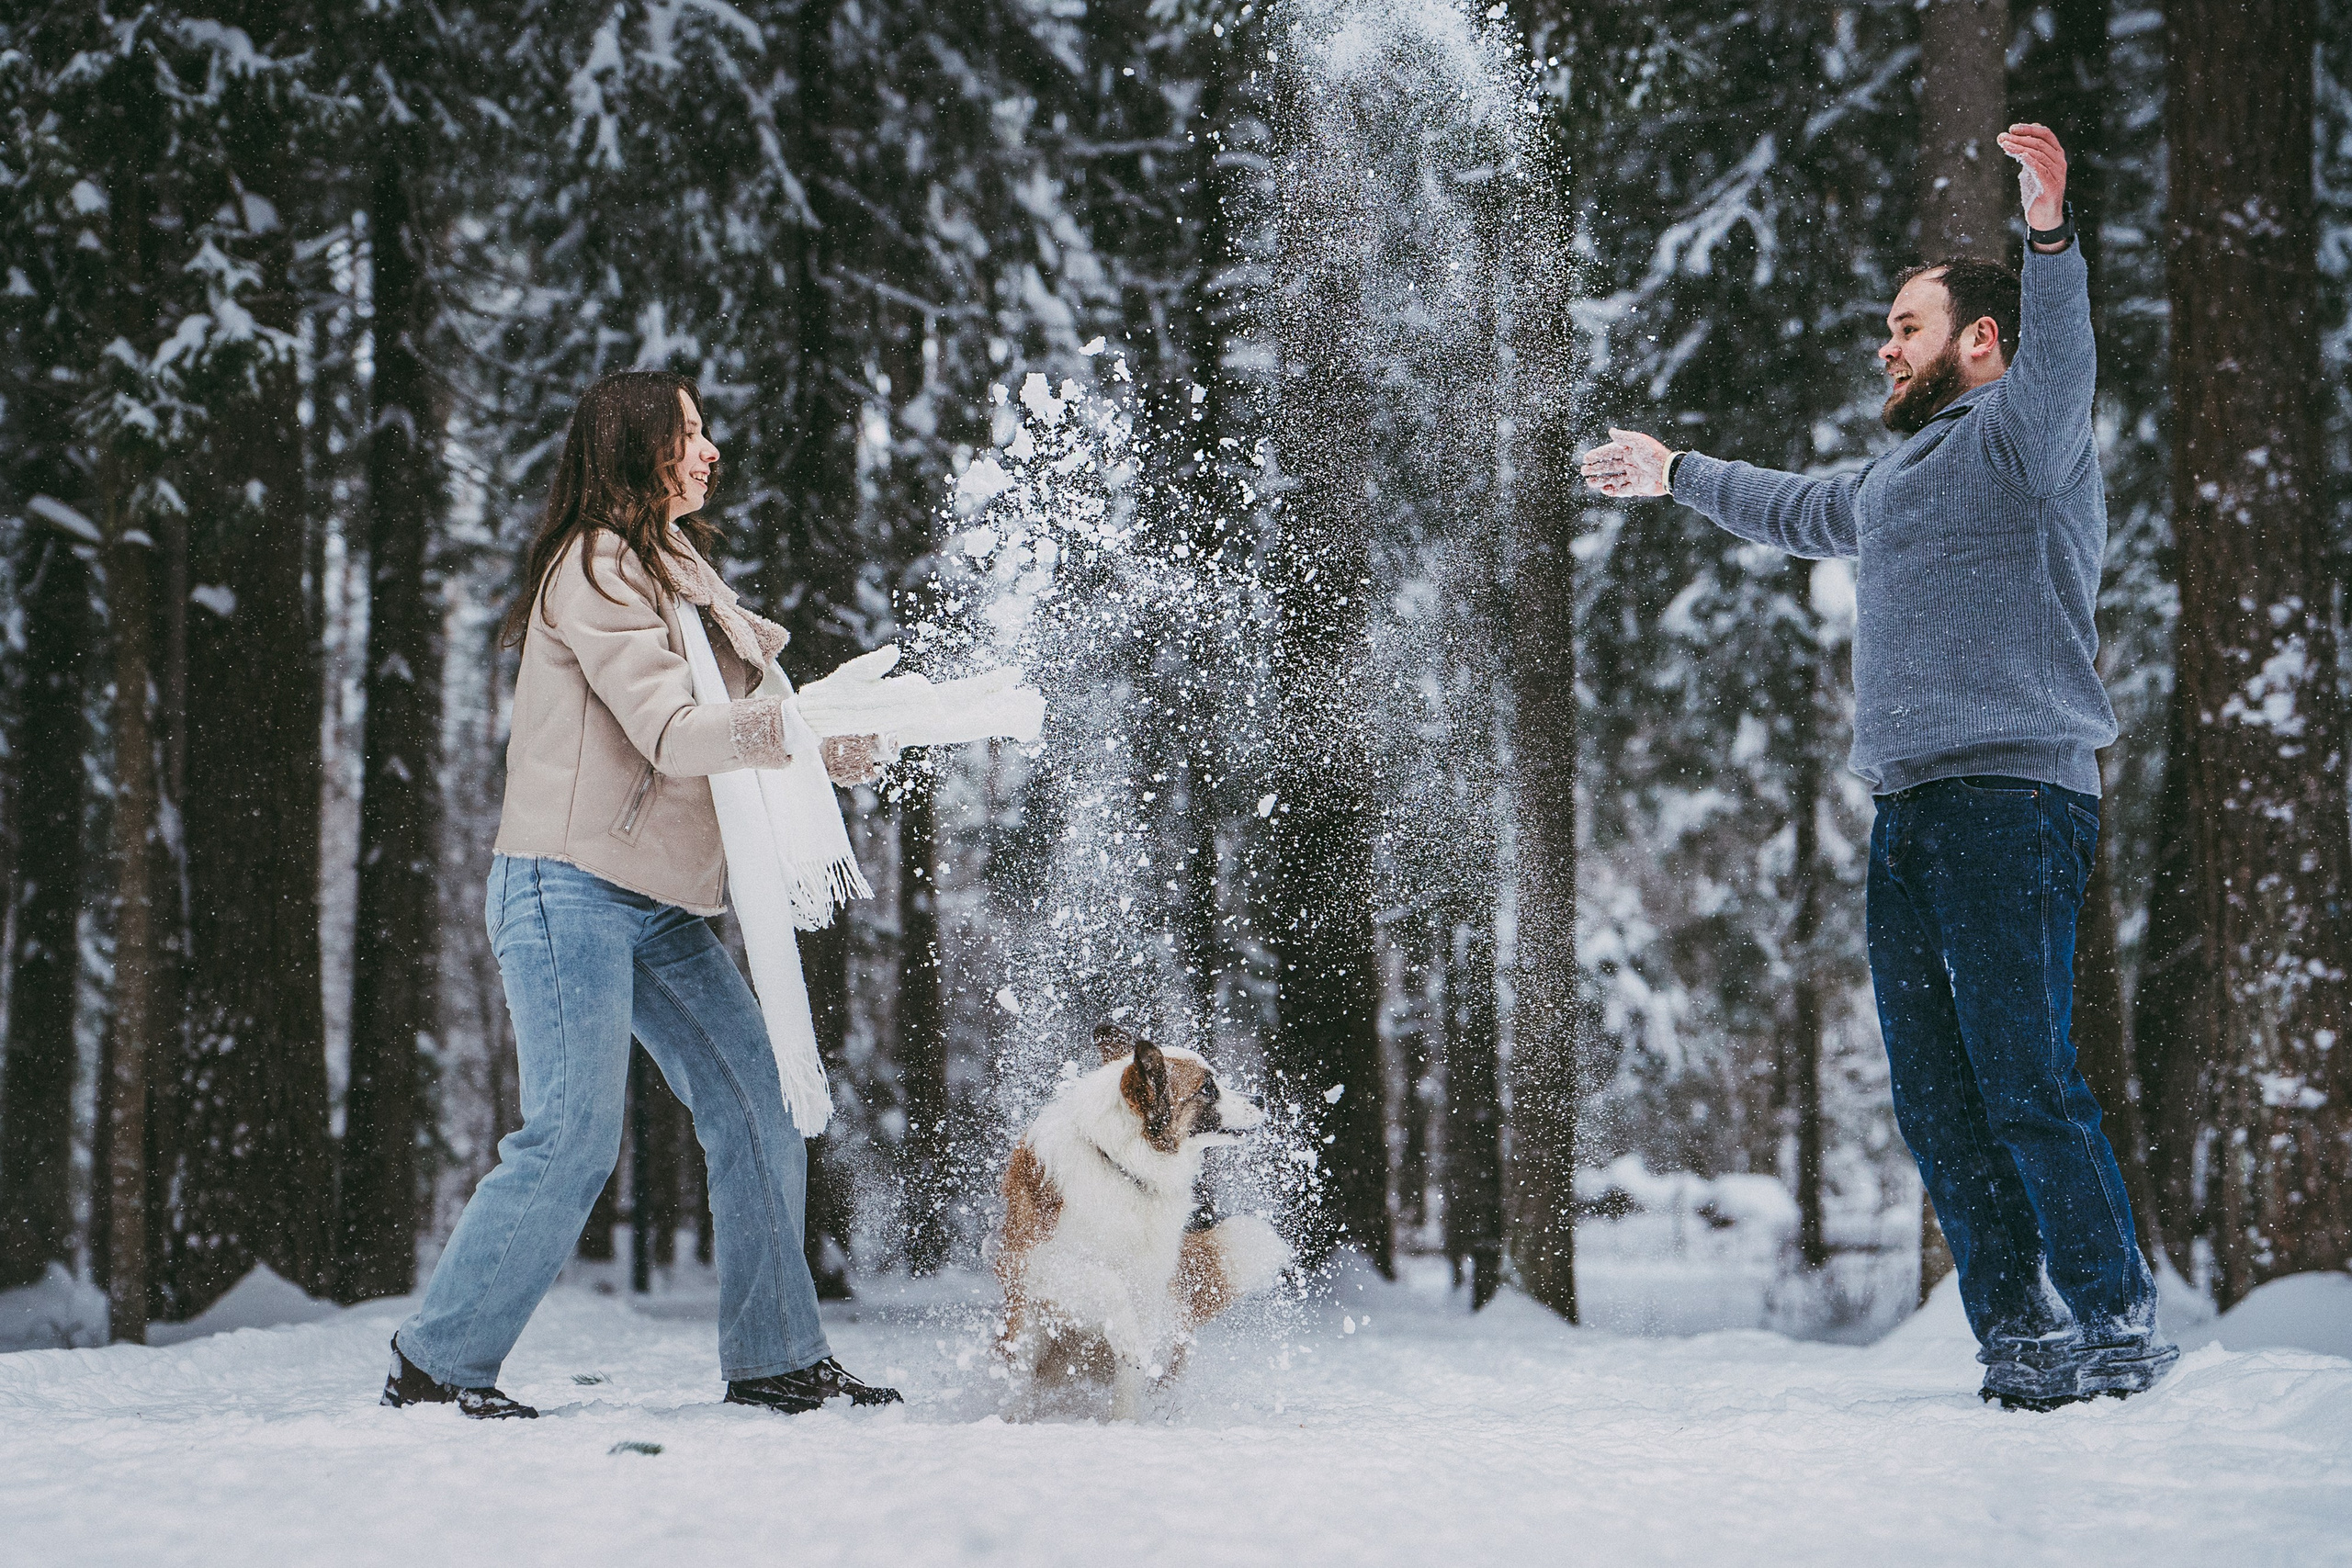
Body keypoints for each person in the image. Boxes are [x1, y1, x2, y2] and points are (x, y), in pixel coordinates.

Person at [1580, 125, 2177, 1410]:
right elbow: (1800, 508)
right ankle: (2019, 1336)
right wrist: (1676, 473)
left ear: (1981, 341)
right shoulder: (1898, 474)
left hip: (2015, 798)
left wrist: (2051, 235)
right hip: (1908, 811)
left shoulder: (2025, 437)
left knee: (2026, 1078)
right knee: (1938, 1099)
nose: (1885, 347)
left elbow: (2064, 357)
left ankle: (2117, 1322)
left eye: (1907, 327)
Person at [380, 370, 901, 1419]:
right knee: (572, 1133)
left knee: (757, 1100)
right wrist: (786, 732)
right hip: (565, 884)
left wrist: (831, 744)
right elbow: (671, 731)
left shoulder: (679, 573)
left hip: (657, 900)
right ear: (637, 448)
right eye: (689, 432)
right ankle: (438, 1363)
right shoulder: (594, 566)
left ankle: (776, 1357)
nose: (710, 450)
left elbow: (748, 727)